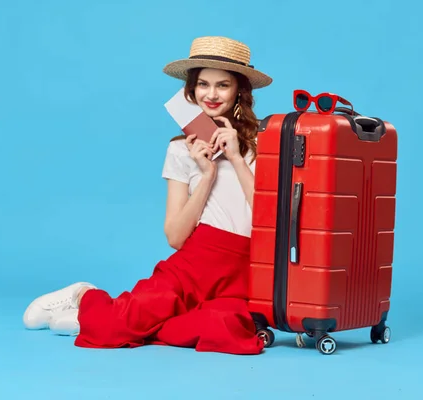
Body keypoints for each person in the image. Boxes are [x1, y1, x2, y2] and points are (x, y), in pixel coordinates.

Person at [21, 36, 273, 355]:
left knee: (225, 329)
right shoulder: (182, 150)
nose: (211, 95)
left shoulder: (266, 143)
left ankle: (114, 315)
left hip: (244, 271)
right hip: (195, 263)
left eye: (222, 85)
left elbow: (270, 219)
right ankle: (85, 297)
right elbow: (175, 237)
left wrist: (237, 158)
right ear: (191, 91)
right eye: (203, 85)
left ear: (239, 90)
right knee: (111, 330)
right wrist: (207, 175)